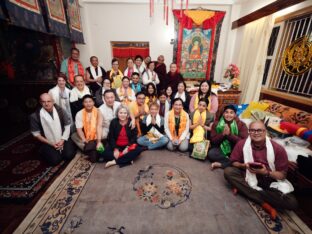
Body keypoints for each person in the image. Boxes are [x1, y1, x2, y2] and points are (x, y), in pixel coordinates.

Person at [224, 121, 298, 220]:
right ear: (249, 132)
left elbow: (282, 175)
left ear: (265, 132)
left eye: (259, 130)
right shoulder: (242, 144)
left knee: (292, 203)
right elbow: (233, 162)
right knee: (228, 172)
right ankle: (263, 203)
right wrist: (243, 165)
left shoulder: (278, 149)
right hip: (248, 175)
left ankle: (243, 190)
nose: (256, 133)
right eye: (252, 130)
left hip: (269, 181)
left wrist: (266, 172)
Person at [30, 93, 76, 166]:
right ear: (40, 102)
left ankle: (60, 150)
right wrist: (51, 144)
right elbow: (36, 134)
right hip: (47, 141)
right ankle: (44, 151)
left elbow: (67, 126)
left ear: (53, 101)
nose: (46, 104)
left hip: (62, 138)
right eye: (43, 102)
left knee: (69, 155)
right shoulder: (35, 116)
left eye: (49, 101)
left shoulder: (61, 111)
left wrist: (62, 140)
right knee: (55, 161)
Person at [208, 105, 248, 169]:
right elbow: (213, 141)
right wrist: (222, 135)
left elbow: (243, 143)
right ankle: (233, 163)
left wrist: (229, 135)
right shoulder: (216, 124)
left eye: (231, 113)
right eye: (226, 112)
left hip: (235, 149)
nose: (228, 115)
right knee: (211, 154)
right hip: (221, 148)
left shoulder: (241, 124)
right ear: (223, 114)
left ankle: (222, 164)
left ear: (235, 114)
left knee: (244, 156)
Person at [71, 95, 104, 163]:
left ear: (93, 102)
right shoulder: (79, 113)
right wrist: (84, 139)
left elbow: (99, 126)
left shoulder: (98, 111)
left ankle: (90, 149)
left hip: (97, 132)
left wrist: (98, 139)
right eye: (86, 102)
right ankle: (92, 148)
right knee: (73, 136)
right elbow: (79, 129)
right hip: (86, 134)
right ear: (83, 103)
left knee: (105, 134)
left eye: (90, 101)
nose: (88, 104)